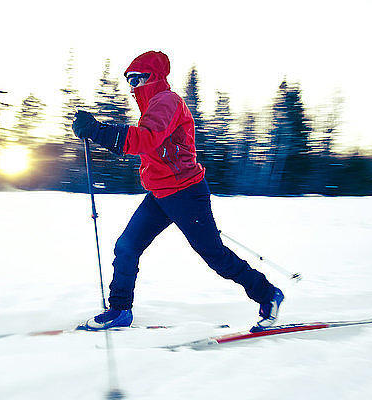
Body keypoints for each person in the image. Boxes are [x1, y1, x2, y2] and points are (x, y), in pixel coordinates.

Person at [72, 50, 283, 330]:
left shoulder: (167, 102)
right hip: (160, 194)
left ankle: (268, 295)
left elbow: (145, 140)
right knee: (126, 246)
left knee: (215, 255)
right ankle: (120, 310)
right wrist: (98, 132)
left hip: (185, 192)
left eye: (138, 78)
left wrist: (98, 131)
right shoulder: (151, 106)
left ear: (154, 77)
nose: (133, 86)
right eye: (129, 80)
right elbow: (147, 144)